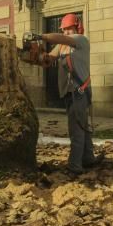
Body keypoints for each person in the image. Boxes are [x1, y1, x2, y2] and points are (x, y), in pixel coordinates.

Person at [39, 13, 97, 175]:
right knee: (83, 127)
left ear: (77, 28)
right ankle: (88, 158)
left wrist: (41, 36)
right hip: (69, 92)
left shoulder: (81, 40)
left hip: (79, 91)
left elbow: (61, 39)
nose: (66, 33)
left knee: (76, 129)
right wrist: (39, 56)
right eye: (63, 30)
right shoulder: (63, 46)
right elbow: (49, 59)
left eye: (68, 29)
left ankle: (75, 166)